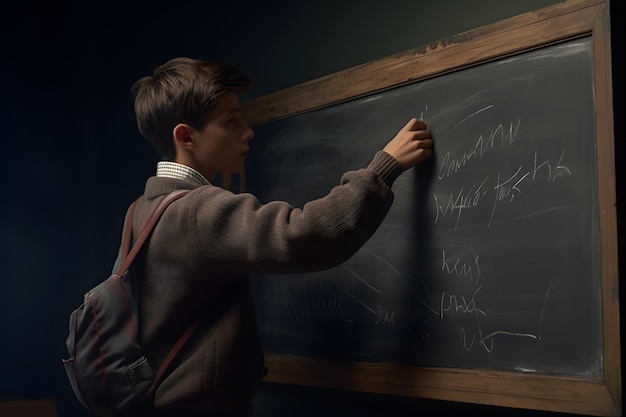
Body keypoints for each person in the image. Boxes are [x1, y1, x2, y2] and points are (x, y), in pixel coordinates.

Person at [127, 57, 433, 417]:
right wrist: (383, 168)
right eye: (231, 121)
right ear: (186, 136)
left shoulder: (142, 209)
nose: (248, 131)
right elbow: (305, 235)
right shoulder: (196, 212)